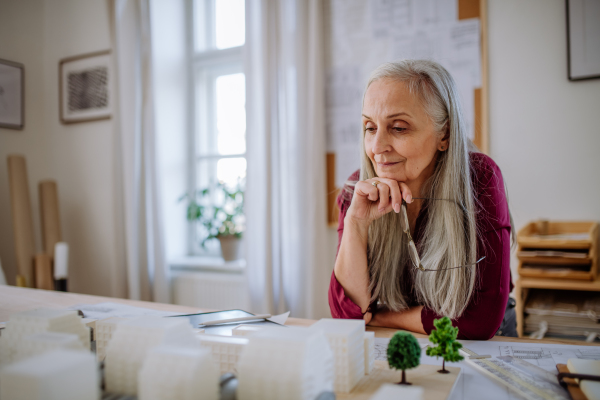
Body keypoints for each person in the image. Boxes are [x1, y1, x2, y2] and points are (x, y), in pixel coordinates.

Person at [329, 60, 514, 340]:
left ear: (446, 135)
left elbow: (480, 321)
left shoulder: (480, 178)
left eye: (399, 128)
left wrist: (382, 317)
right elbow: (346, 316)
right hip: (397, 342)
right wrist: (356, 224)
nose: (377, 148)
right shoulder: (359, 190)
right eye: (369, 127)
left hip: (476, 348)